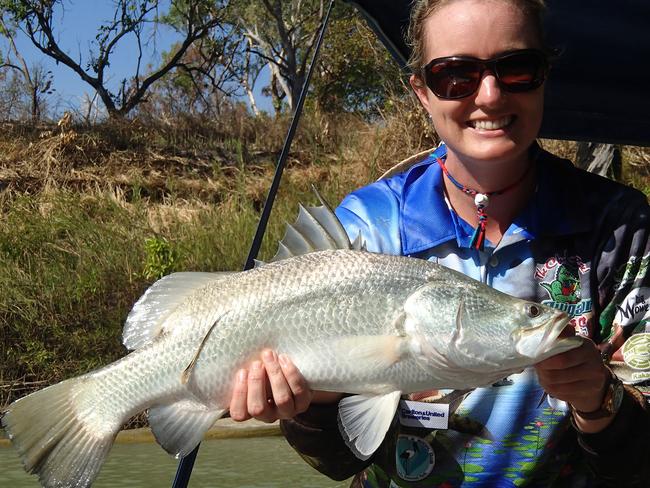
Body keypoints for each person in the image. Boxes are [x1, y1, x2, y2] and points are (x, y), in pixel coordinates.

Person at [229, 0, 650, 486]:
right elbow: (341, 461)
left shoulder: (621, 229)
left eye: (517, 68)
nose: (489, 96)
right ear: (422, 92)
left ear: (545, 76)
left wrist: (601, 400)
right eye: (456, 75)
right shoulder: (365, 231)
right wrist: (309, 405)